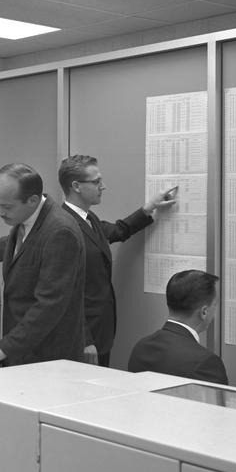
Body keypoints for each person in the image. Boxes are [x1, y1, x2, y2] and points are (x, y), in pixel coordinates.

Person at [0, 162, 87, 365]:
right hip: (24, 350)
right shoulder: (29, 220)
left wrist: (5, 347)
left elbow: (49, 305)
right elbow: (16, 246)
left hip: (46, 358)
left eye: (6, 207)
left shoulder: (60, 232)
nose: (0, 212)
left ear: (32, 200)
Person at [57, 154, 178, 366]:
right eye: (96, 181)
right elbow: (64, 291)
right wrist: (85, 339)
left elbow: (118, 231)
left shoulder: (88, 218)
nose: (103, 186)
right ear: (76, 186)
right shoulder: (63, 227)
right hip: (82, 339)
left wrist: (149, 207)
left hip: (101, 332)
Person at [127, 269, 229, 385]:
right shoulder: (206, 364)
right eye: (215, 305)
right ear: (204, 312)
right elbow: (218, 397)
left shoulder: (141, 348)